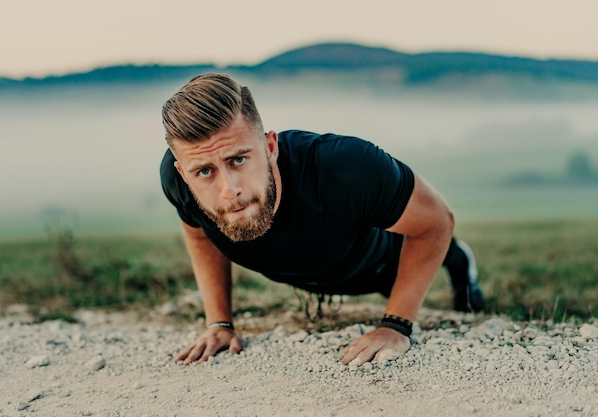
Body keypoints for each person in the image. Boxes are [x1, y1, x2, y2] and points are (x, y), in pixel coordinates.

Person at [159, 73, 484, 366]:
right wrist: (219, 323)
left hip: (379, 260)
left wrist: (396, 325)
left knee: (437, 258)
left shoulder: (345, 167)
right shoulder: (179, 184)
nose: (229, 190)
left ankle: (462, 267)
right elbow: (200, 234)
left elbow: (436, 221)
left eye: (239, 159)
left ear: (270, 146)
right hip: (306, 267)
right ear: (183, 174)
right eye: (204, 172)